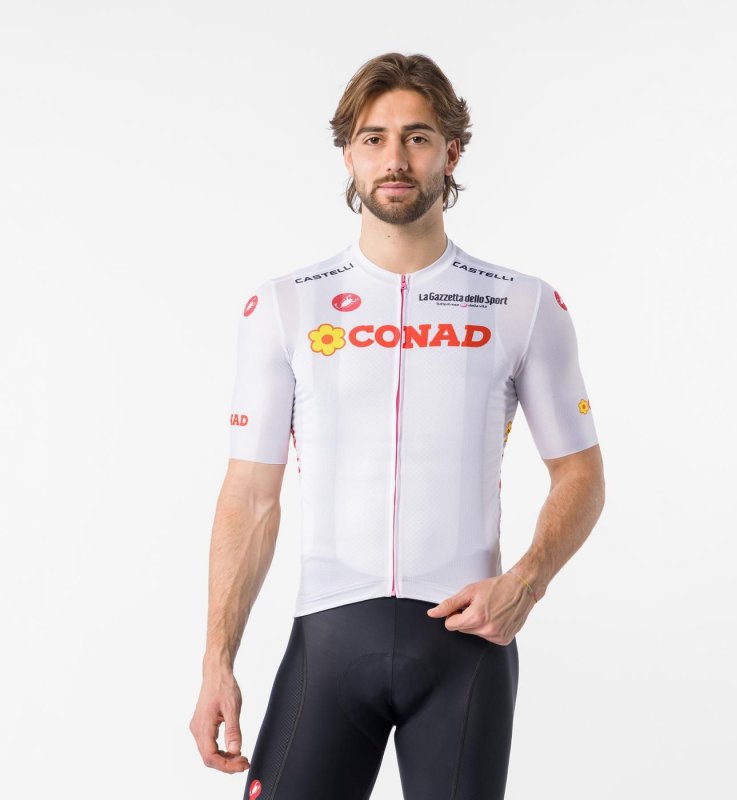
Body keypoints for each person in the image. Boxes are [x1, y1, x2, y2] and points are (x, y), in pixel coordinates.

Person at [189, 51, 605, 799]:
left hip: (466, 646)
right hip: (327, 641)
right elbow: (250, 497)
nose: (395, 158)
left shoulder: (521, 305)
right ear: (348, 155)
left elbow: (580, 473)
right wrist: (217, 658)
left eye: (417, 137)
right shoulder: (286, 305)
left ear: (452, 152)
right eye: (373, 138)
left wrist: (527, 582)